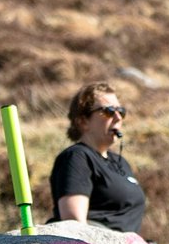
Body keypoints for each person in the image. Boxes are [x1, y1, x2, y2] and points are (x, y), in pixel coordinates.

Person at [49, 81, 147, 234]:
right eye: (108, 111)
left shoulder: (120, 162)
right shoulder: (77, 157)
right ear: (83, 121)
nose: (117, 117)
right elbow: (73, 222)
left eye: (121, 111)